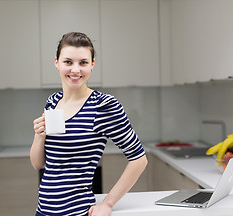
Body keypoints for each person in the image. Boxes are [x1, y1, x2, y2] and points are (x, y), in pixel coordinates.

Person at [30, 32, 148, 216]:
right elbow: (39, 164)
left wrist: (108, 203)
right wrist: (39, 136)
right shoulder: (53, 101)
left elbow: (139, 159)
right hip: (42, 212)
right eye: (68, 62)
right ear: (57, 63)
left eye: (83, 62)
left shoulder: (103, 105)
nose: (75, 70)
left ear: (92, 65)